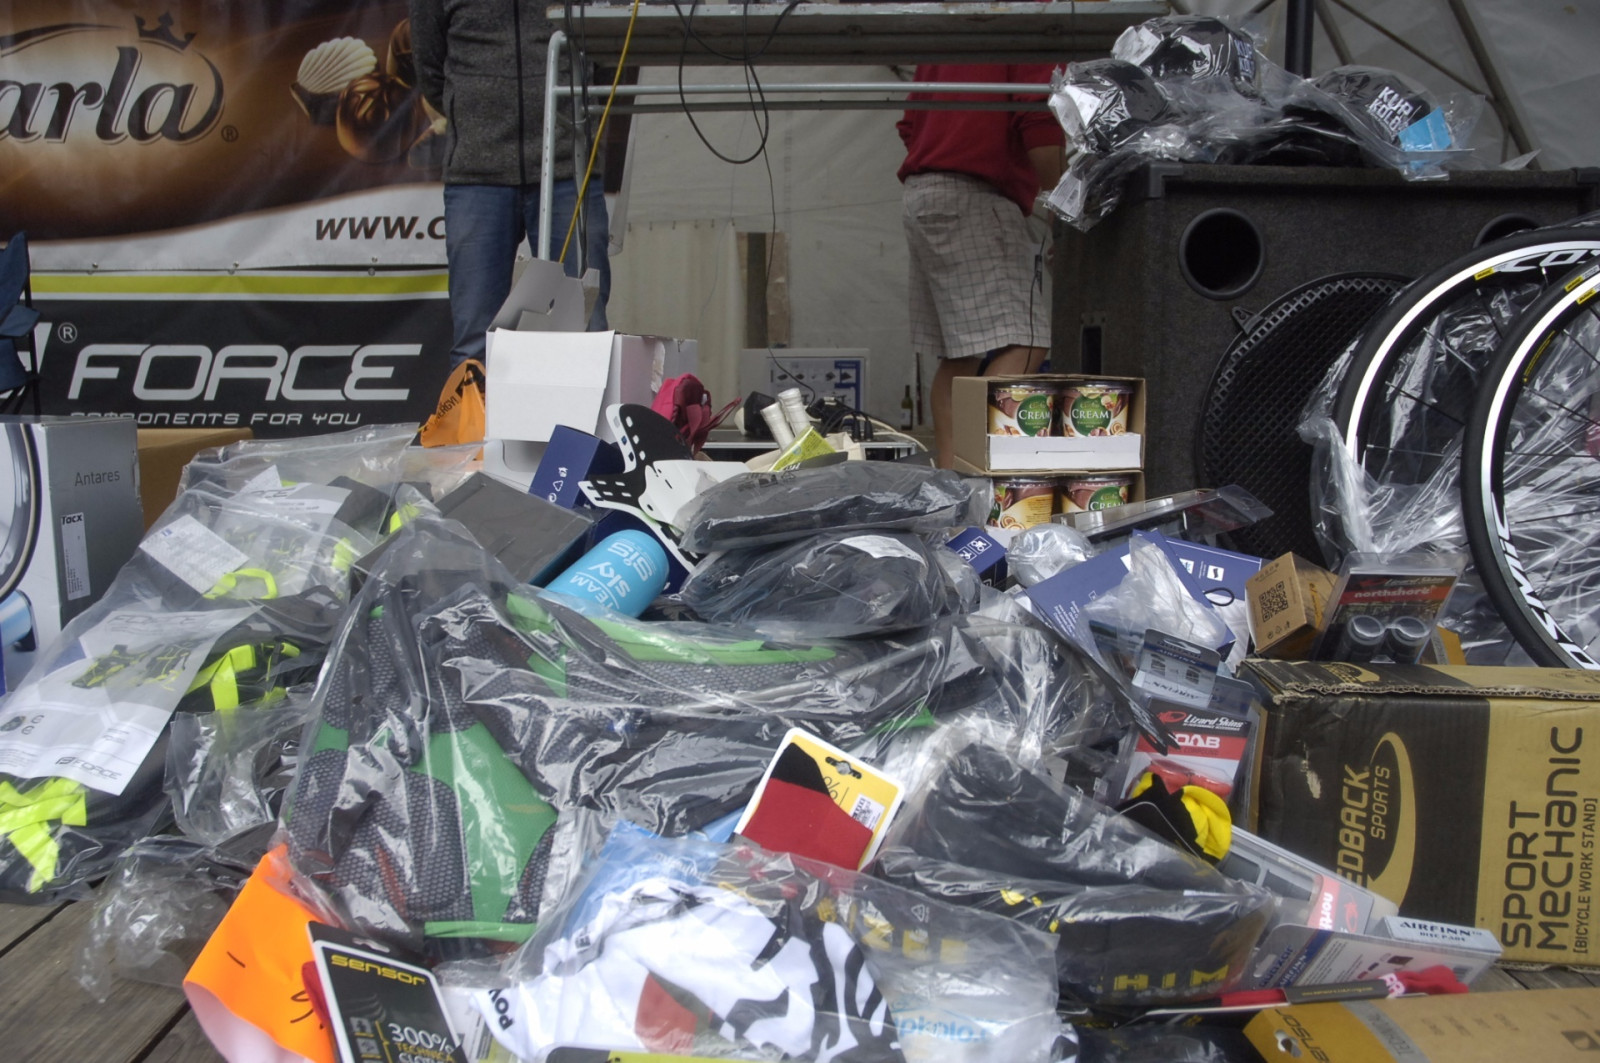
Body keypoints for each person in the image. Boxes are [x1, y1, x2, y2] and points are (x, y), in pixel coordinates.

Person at [411, 0, 611, 368]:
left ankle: (580, 410)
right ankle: (477, 410)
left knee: (585, 330)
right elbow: (428, 64)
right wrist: (474, 114)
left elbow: (606, 45)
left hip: (567, 165)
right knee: (475, 344)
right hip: (476, 173)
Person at [897, 63, 1066, 468]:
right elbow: (1038, 121)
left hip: (924, 193)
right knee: (1026, 342)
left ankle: (953, 482)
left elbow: (909, 125)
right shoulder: (1036, 32)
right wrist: (1063, 207)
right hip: (975, 193)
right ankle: (988, 475)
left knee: (960, 357)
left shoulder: (951, 39)